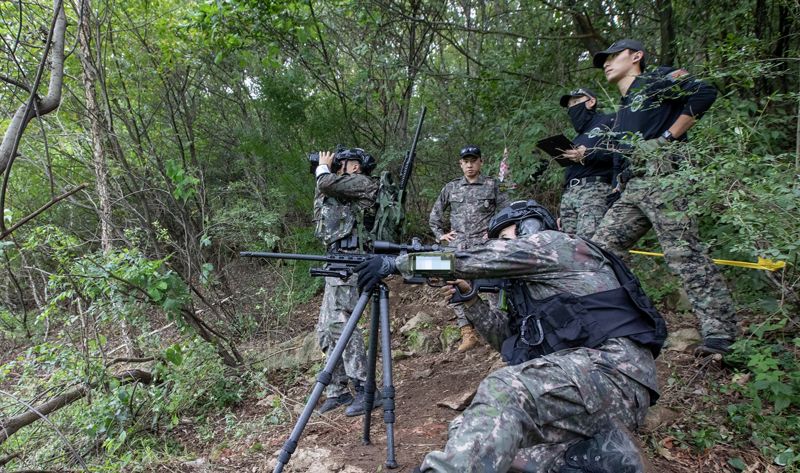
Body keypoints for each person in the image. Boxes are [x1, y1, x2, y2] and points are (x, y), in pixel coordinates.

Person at [356, 200, 666, 472]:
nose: (503, 247)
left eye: (506, 239)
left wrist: (398, 263)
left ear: (531, 226)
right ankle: (604, 456)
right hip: (587, 394)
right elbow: (511, 342)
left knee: (505, 389)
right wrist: (471, 300)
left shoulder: (555, 244)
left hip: (614, 372)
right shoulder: (533, 289)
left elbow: (470, 259)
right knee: (475, 433)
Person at [591, 39, 738, 355]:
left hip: (665, 180)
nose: (606, 62)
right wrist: (618, 185)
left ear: (636, 56)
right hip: (634, 188)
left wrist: (669, 137)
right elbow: (624, 153)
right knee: (602, 249)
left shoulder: (656, 80)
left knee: (684, 254)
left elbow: (704, 92)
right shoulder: (624, 107)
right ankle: (628, 320)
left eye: (614, 56)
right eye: (604, 59)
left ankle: (720, 335)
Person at [313, 148, 383, 416]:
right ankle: (337, 391)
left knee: (343, 324)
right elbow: (324, 195)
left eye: (342, 162)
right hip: (336, 260)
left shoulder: (363, 183)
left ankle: (366, 389)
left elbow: (325, 182)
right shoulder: (339, 188)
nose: (336, 164)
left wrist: (324, 168)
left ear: (356, 166)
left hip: (351, 260)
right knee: (325, 328)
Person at [428, 145, 509, 351]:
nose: (470, 165)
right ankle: (468, 332)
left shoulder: (492, 185)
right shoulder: (451, 188)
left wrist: (494, 233)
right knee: (455, 286)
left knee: (491, 288)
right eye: (466, 161)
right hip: (458, 247)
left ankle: (497, 331)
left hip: (484, 246)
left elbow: (505, 214)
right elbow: (435, 217)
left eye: (474, 161)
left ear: (481, 162)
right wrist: (441, 235)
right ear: (461, 164)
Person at [558, 88, 616, 238]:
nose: (572, 108)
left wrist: (588, 153)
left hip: (595, 190)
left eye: (576, 102)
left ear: (591, 101)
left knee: (589, 244)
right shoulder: (578, 138)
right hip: (570, 194)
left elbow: (621, 152)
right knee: (568, 246)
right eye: (569, 106)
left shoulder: (610, 121)